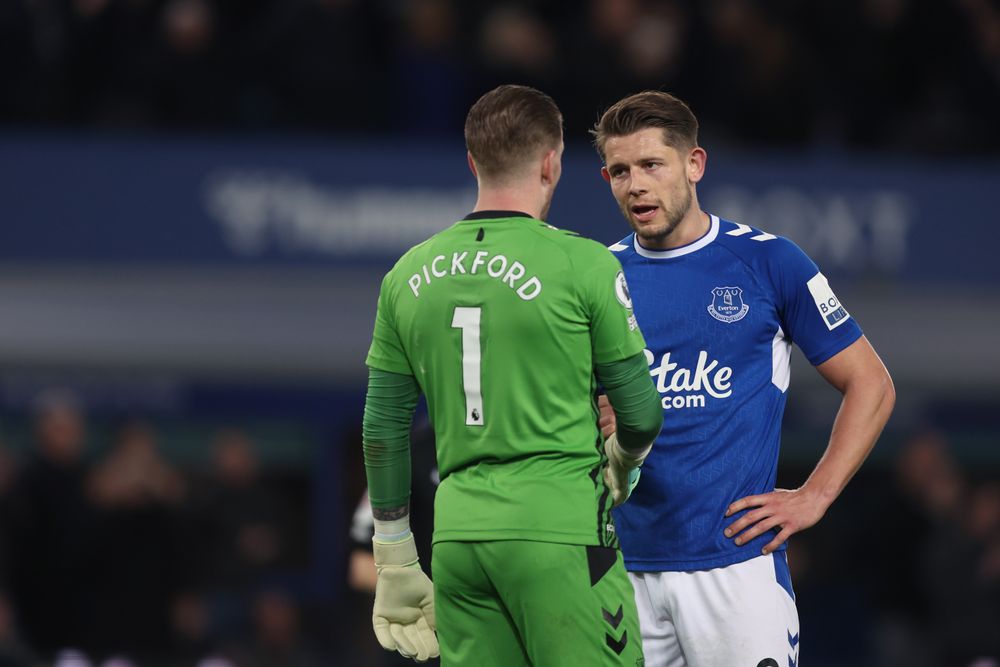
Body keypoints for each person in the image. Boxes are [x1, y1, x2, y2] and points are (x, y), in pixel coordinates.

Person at [591, 90, 896, 667]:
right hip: (621, 570)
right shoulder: (596, 278)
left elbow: (872, 384)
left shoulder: (769, 263)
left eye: (651, 165)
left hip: (735, 570)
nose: (635, 185)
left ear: (694, 164)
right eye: (620, 171)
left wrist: (815, 495)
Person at [362, 84, 663, 665]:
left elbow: (382, 428)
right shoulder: (584, 262)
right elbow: (642, 413)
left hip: (458, 539)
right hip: (561, 532)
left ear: (473, 162)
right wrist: (622, 462)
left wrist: (395, 555)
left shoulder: (405, 274)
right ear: (552, 162)